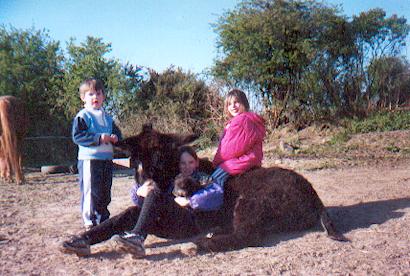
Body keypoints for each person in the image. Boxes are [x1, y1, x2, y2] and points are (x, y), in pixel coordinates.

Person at [60, 146, 223, 257]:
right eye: (182, 163)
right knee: (133, 212)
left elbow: (217, 195)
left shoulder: (203, 176)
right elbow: (143, 203)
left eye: (191, 162)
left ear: (196, 163)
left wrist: (189, 201)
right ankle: (85, 239)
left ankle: (137, 238)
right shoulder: (169, 179)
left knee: (157, 193)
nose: (187, 166)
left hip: (191, 224)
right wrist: (139, 192)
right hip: (171, 226)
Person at [72, 78, 122, 231]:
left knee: (105, 191)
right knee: (91, 192)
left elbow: (118, 135)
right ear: (83, 98)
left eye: (98, 93)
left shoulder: (108, 118)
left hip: (106, 160)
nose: (95, 97)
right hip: (90, 161)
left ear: (103, 96)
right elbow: (78, 136)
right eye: (91, 94)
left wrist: (115, 138)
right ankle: (89, 221)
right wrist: (99, 138)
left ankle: (103, 219)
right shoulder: (83, 116)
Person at [210, 89, 266, 188]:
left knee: (214, 179)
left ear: (244, 103)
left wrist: (216, 162)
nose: (233, 106)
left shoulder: (241, 120)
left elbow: (231, 149)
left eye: (236, 102)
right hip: (252, 159)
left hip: (242, 161)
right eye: (229, 104)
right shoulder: (251, 118)